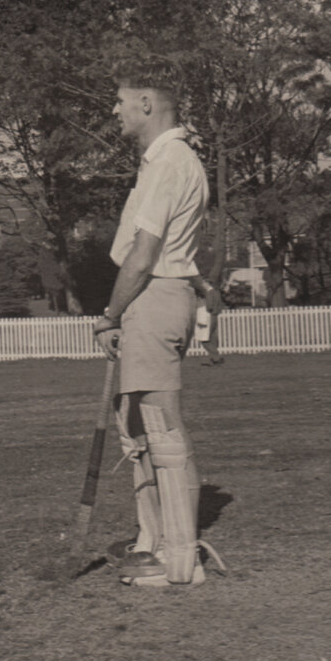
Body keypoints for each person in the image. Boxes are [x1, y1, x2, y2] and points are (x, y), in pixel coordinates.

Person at [93, 65, 225, 587]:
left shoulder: (172, 161)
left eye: (120, 100)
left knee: (162, 429)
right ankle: (151, 541)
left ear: (146, 102)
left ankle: (181, 560)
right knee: (137, 427)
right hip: (151, 297)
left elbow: (145, 255)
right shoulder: (161, 160)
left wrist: (110, 314)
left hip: (152, 295)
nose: (114, 110)